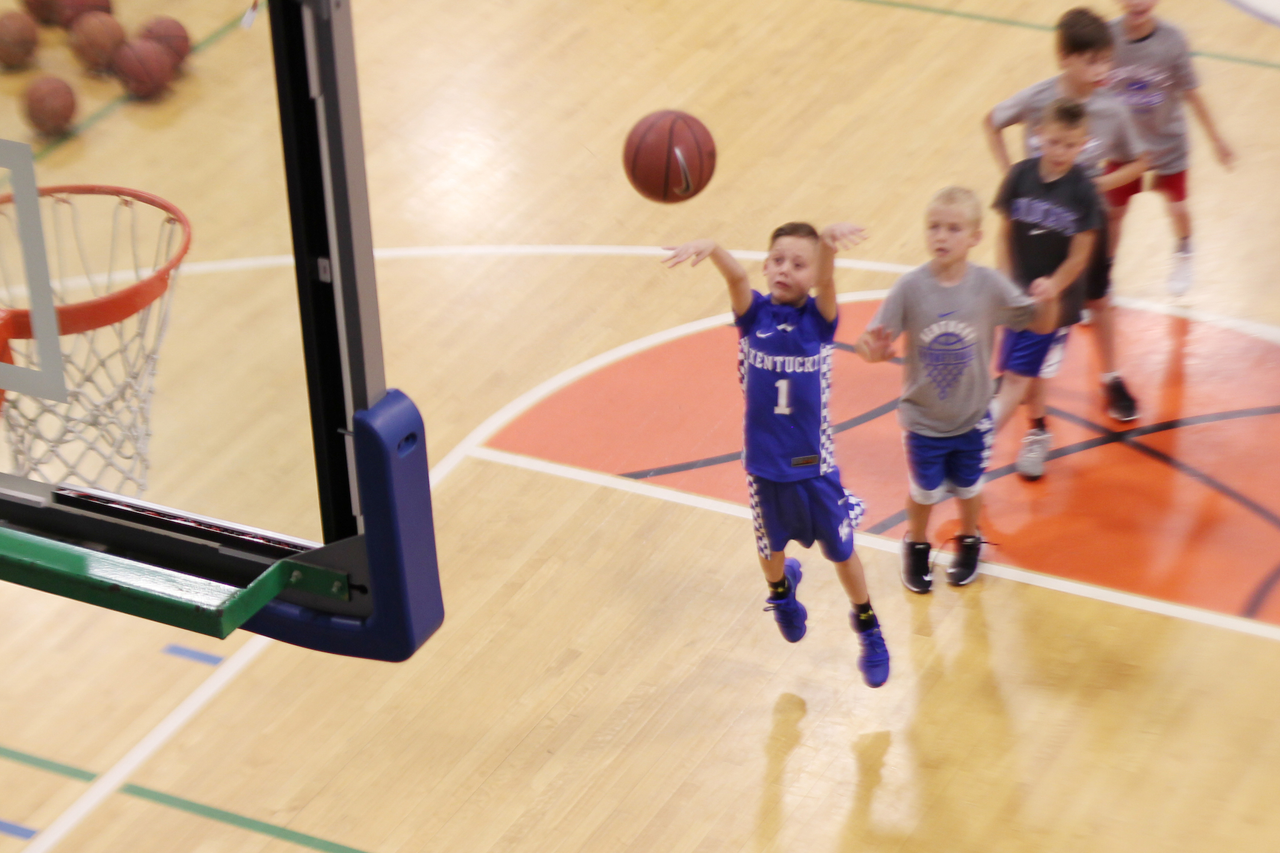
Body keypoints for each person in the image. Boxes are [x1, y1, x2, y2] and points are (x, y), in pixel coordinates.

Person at [662, 221, 890, 688]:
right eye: (778, 260)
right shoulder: (754, 316)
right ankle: (782, 592)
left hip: (814, 465)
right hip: (764, 466)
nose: (786, 269)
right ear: (766, 266)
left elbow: (828, 281)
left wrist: (827, 247)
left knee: (843, 553)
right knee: (770, 549)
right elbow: (736, 280)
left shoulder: (819, 322)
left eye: (799, 263)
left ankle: (867, 624)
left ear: (813, 275)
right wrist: (715, 246)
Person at [856, 187, 1052, 592]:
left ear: (975, 237)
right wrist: (872, 351)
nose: (941, 236)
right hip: (924, 418)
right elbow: (869, 343)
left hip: (972, 416)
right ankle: (916, 544)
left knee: (969, 488)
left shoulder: (989, 286)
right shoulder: (910, 288)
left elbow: (1039, 324)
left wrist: (1047, 303)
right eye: (934, 227)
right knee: (924, 492)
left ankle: (968, 538)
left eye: (953, 228)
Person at [983, 6, 1148, 423]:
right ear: (1065, 58)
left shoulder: (1112, 108)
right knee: (1026, 298)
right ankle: (1020, 382)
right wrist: (1013, 176)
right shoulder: (1040, 98)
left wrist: (1100, 187)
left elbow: (1141, 160)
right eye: (1092, 60)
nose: (1102, 68)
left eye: (1106, 59)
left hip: (1082, 227)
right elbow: (992, 121)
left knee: (1098, 298)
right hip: (1035, 224)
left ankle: (1110, 375)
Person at [991, 99, 1103, 480]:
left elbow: (1080, 255)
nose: (1060, 152)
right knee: (1015, 373)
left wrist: (1053, 285)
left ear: (1084, 143)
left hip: (1056, 306)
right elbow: (1004, 233)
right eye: (1054, 142)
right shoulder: (1020, 176)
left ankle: (1031, 435)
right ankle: (1032, 425)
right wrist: (1004, 279)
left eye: (1070, 146)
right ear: (1038, 135)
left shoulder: (1084, 192)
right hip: (1017, 296)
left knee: (1028, 376)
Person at [1106, 0, 1235, 295]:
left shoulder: (1172, 40)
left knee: (1176, 206)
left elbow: (1191, 92)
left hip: (1167, 142)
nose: (1138, 3)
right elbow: (1095, 90)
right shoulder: (1106, 37)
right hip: (1124, 145)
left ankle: (1185, 251)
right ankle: (1104, 275)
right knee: (1113, 214)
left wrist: (1216, 138)